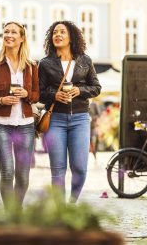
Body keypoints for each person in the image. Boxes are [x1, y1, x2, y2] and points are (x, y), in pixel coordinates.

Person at [38, 21, 101, 203]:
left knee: (80, 167)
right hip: (55, 119)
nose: (57, 35)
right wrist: (54, 95)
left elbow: (96, 87)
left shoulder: (84, 60)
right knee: (58, 169)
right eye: (55, 32)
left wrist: (79, 91)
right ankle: (60, 210)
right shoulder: (45, 63)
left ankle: (73, 203)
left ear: (71, 37)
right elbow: (39, 94)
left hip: (80, 119)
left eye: (62, 32)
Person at [0, 21, 39, 209]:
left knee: (22, 175)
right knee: (7, 172)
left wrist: (27, 95)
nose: (9, 35)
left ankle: (17, 208)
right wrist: (1, 101)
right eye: (6, 32)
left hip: (26, 126)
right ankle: (10, 213)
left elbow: (37, 96)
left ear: (22, 38)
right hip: (1, 126)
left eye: (13, 32)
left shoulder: (31, 66)